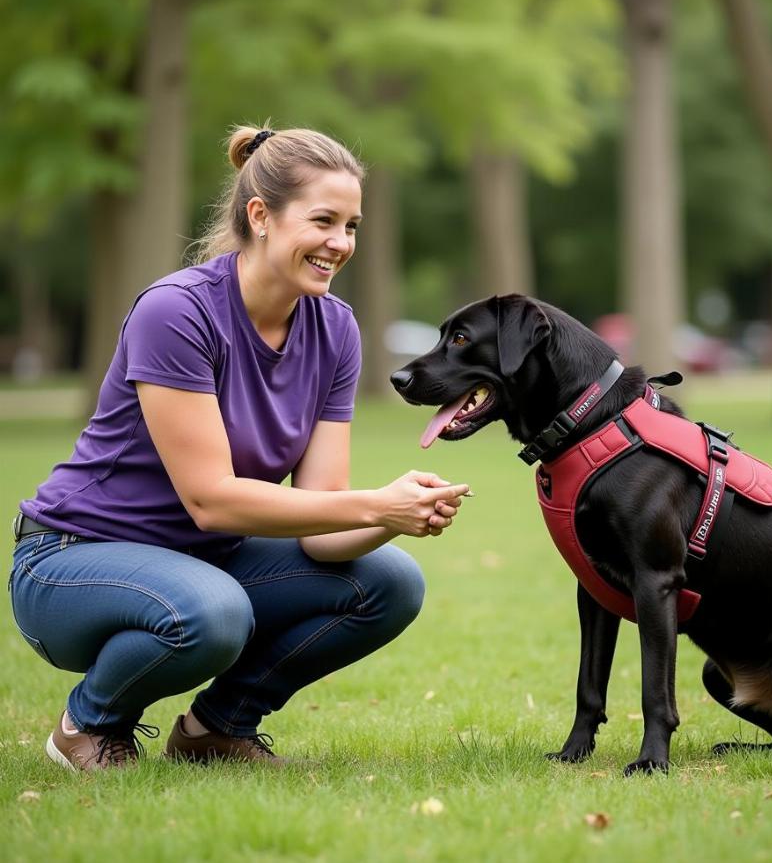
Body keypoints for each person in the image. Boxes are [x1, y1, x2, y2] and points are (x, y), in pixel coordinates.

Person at [9, 125, 469, 771]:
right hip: (69, 560)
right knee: (212, 612)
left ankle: (216, 731)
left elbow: (322, 522)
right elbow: (212, 502)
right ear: (261, 216)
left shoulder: (334, 329)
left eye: (353, 226)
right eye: (324, 221)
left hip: (199, 562)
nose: (340, 243)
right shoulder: (176, 312)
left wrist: (388, 516)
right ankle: (88, 725)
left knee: (390, 582)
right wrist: (374, 503)